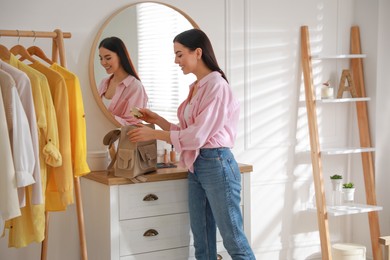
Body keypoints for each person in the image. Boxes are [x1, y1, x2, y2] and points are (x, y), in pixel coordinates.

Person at [128, 29, 255, 260]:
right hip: (198, 164)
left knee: (233, 239)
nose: (176, 61)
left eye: (179, 54)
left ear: (197, 52)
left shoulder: (216, 86)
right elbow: (190, 133)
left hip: (217, 163)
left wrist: (154, 135)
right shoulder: (198, 87)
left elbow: (197, 137)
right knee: (202, 241)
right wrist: (157, 121)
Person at [98, 36, 148, 125]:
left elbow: (134, 123)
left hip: (120, 138)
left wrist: (105, 115)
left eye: (108, 58)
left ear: (120, 56)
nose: (103, 62)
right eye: (101, 58)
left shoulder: (135, 87)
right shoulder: (103, 83)